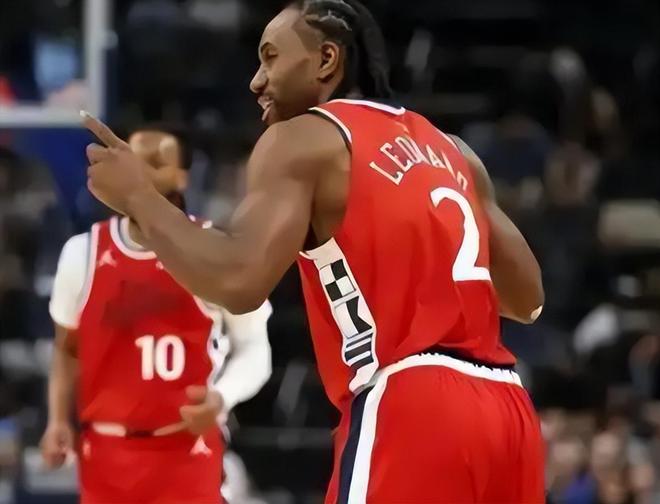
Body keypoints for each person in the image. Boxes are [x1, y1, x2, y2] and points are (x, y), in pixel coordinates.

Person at [81, 0, 546, 501]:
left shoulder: (304, 138)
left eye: (271, 57)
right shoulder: (454, 150)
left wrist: (139, 198)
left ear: (326, 60)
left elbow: (238, 281)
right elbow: (528, 300)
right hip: (509, 410)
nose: (256, 81)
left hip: (414, 403)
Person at [40, 123, 272, 504]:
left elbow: (255, 350)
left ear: (181, 177)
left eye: (155, 163)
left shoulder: (215, 249)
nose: (141, 173)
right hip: (106, 456)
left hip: (186, 451)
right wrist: (57, 419)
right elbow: (66, 349)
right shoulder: (81, 253)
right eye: (133, 162)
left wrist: (222, 397)